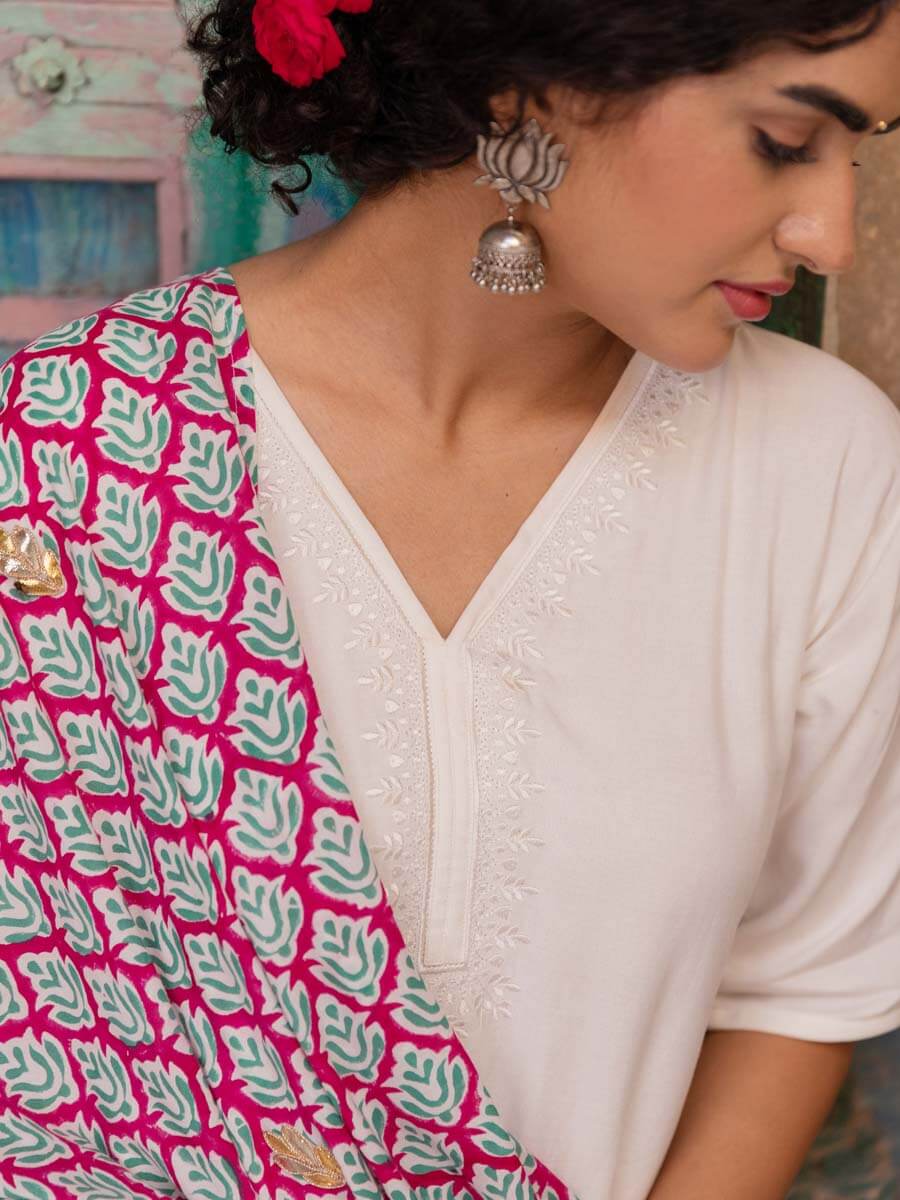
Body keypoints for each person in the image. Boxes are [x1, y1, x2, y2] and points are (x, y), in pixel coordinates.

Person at [0, 2, 898, 1198]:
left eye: (862, 150)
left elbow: (801, 981)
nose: (833, 234)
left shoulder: (819, 463)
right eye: (785, 142)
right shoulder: (68, 451)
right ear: (527, 90)